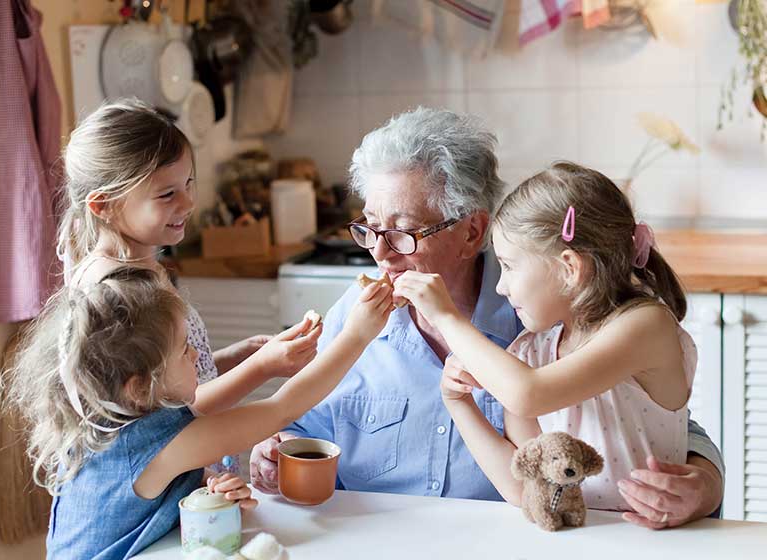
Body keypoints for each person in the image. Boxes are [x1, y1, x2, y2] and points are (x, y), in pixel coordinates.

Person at [250, 108, 724, 529]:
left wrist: (704, 485)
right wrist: (276, 449)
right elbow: (304, 425)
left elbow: (656, 428)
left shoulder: (545, 315)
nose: (379, 252)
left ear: (472, 231)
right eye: (370, 227)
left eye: (403, 232)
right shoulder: (352, 317)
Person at [3, 267, 393, 558]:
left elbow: (198, 408)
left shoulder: (115, 419)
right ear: (139, 387)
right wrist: (357, 335)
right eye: (183, 349)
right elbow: (281, 409)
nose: (196, 355)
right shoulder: (153, 448)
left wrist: (265, 365)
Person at [396, 162, 704, 522]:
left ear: (569, 268)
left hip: (651, 541)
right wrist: (458, 402)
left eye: (509, 266)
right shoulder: (532, 350)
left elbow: (528, 394)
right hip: (571, 539)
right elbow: (524, 488)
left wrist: (447, 318)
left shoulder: (645, 325)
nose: (501, 286)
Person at [56, 98, 321, 443]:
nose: (188, 202)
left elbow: (166, 382)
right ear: (104, 205)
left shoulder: (141, 268)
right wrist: (262, 367)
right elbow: (179, 414)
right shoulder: (120, 292)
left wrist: (233, 358)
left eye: (189, 183)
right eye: (167, 194)